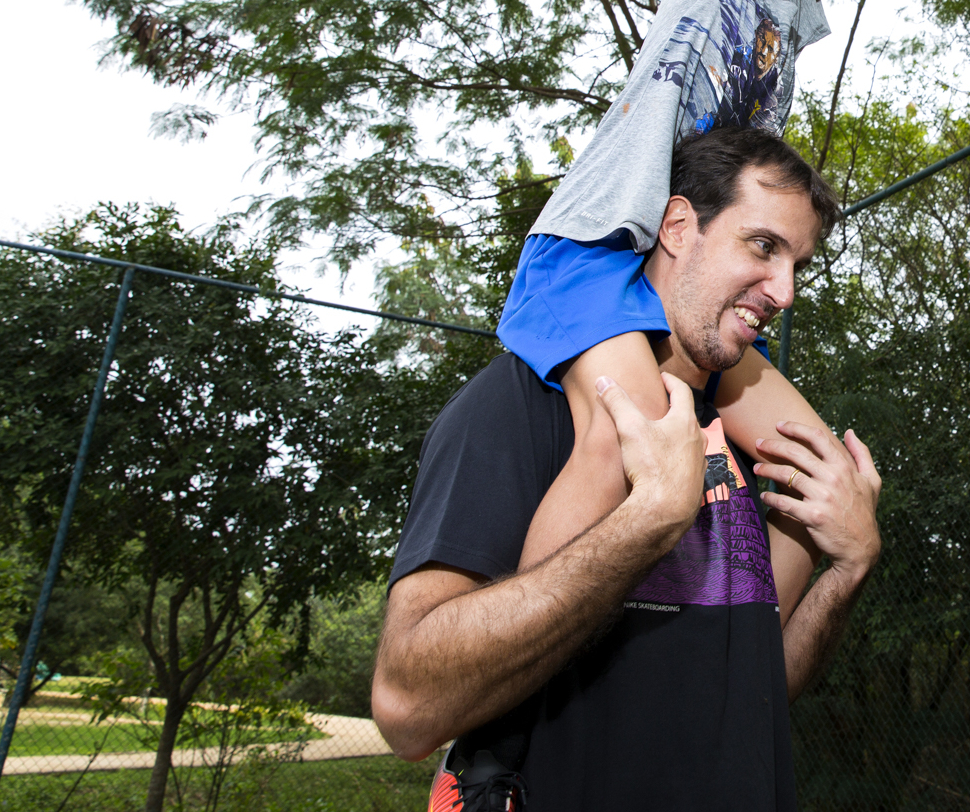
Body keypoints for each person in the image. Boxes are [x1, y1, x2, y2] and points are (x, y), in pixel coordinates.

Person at [495, 0, 884, 597]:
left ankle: (736, 681)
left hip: (677, 275)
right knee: (625, 448)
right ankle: (502, 700)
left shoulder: (786, 16)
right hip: (594, 251)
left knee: (819, 481)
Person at [373, 128, 882, 811]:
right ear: (677, 226)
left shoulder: (742, 441)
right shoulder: (524, 404)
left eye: (798, 263)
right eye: (762, 246)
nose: (784, 290)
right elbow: (409, 706)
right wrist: (645, 522)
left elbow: (755, 688)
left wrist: (847, 568)